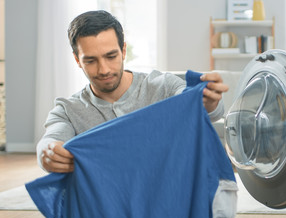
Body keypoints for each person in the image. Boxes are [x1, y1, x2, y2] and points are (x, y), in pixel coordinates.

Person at [36, 10, 229, 173]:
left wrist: (207, 103)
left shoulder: (163, 86)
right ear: (77, 60)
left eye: (111, 56)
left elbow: (198, 107)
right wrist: (47, 151)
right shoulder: (68, 109)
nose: (104, 69)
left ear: (123, 50)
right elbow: (52, 137)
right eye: (90, 60)